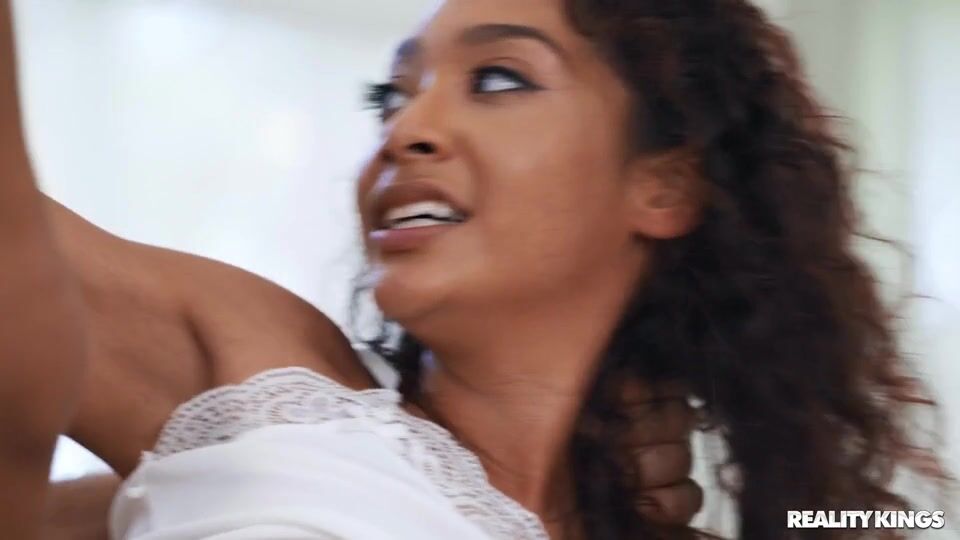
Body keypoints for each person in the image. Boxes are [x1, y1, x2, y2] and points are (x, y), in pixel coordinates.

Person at [0, 0, 947, 538]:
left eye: (498, 79)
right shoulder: (259, 370)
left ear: (664, 183)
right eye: (391, 96)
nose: (406, 129)